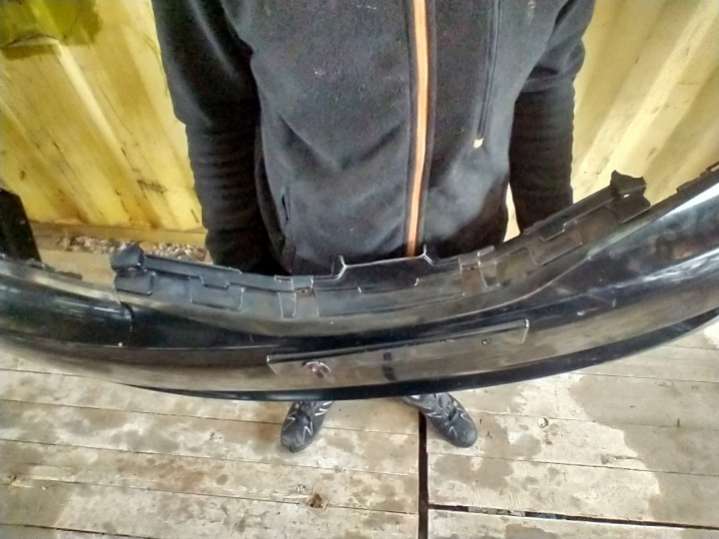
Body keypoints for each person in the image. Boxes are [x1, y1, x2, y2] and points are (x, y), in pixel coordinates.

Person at [152, 0, 594, 452]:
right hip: (315, 252)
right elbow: (216, 111)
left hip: (461, 255)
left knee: (428, 348)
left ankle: (420, 383)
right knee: (320, 348)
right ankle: (320, 384)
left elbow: (545, 82)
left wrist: (553, 245)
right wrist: (244, 272)